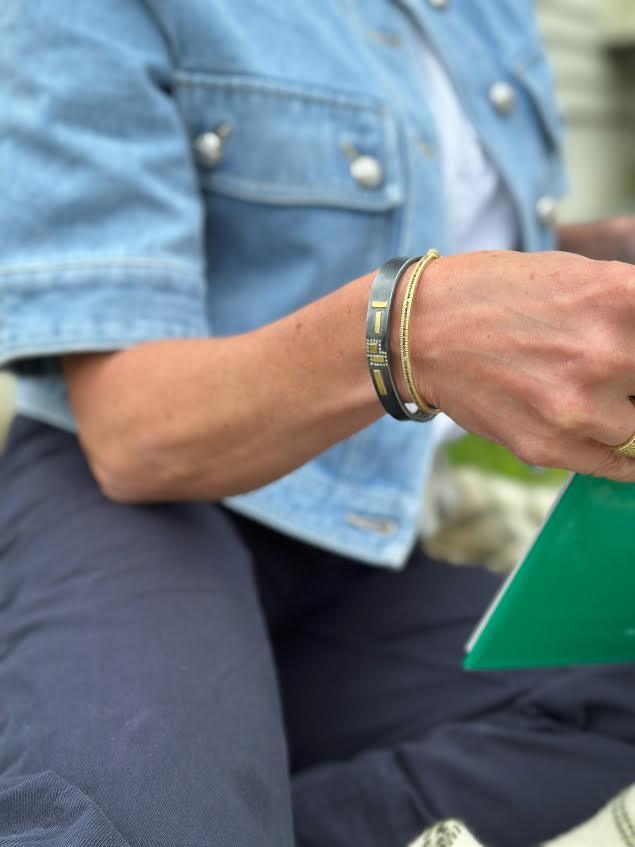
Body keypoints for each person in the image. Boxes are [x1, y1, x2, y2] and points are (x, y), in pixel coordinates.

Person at [0, 2, 634, 846]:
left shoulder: (481, 14)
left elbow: (437, 219)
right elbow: (132, 433)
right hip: (141, 494)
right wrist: (414, 329)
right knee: (132, 818)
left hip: (351, 515)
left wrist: (601, 257)